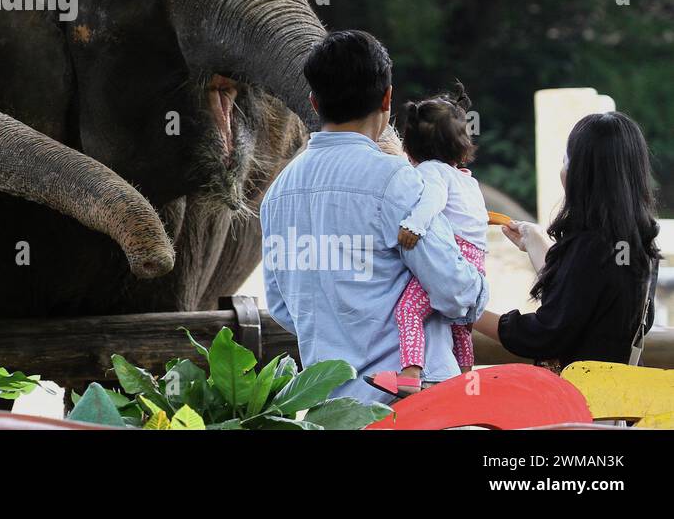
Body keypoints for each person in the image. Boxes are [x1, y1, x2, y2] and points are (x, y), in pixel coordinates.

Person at [261, 30, 488, 405]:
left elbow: (284, 308)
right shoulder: (397, 181)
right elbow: (453, 290)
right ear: (387, 97)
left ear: (314, 103)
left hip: (329, 410)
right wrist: (479, 289)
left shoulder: (278, 194)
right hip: (413, 409)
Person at [474, 112, 660, 369]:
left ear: (581, 173)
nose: (562, 169)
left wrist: (469, 313)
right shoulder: (640, 246)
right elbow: (581, 301)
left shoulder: (591, 247)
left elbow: (545, 333)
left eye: (566, 160)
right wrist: (536, 244)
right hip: (617, 398)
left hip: (580, 402)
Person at [370, 84, 489, 396]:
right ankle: (467, 381)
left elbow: (432, 200)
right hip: (476, 261)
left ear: (409, 148)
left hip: (453, 257)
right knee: (460, 328)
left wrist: (414, 225)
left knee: (409, 311)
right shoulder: (467, 181)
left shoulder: (430, 172)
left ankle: (410, 375)